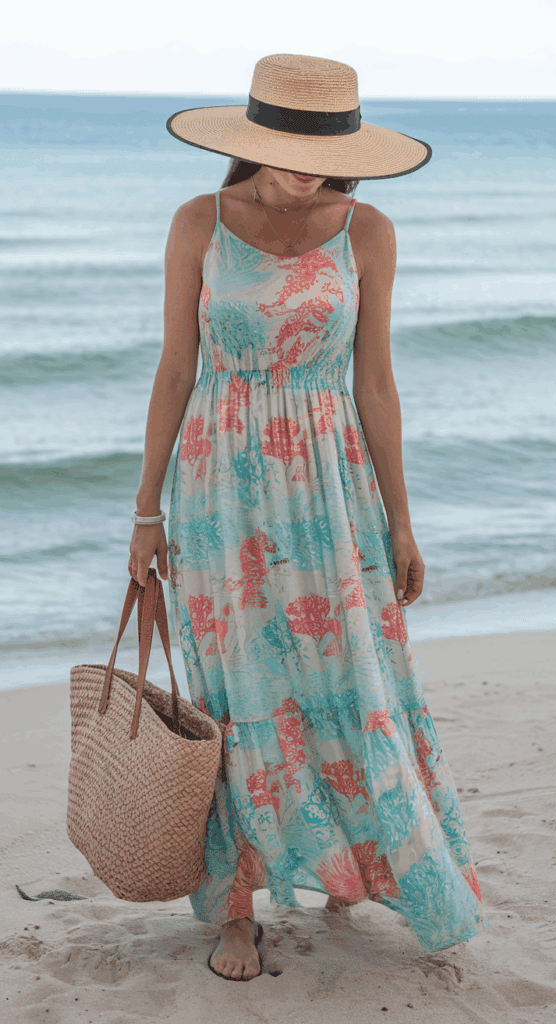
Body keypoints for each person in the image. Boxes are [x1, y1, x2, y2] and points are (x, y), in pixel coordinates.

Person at [128, 53, 488, 981]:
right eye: (289, 149)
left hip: (333, 488)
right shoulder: (197, 224)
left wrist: (401, 522)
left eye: (325, 153)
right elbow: (176, 370)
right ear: (250, 140)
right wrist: (144, 513)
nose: (309, 169)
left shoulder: (367, 230)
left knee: (350, 678)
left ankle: (352, 867)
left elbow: (375, 380)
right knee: (235, 690)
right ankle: (236, 910)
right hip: (216, 491)